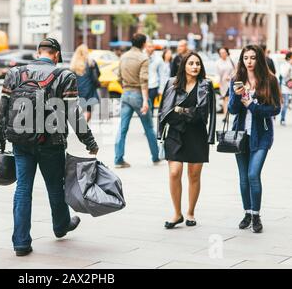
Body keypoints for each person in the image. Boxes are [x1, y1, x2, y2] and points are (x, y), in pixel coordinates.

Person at [0, 38, 99, 257]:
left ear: (38, 53)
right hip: (52, 143)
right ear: (57, 55)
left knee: (23, 189)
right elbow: (73, 113)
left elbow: (2, 110)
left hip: (20, 142)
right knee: (55, 186)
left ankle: (21, 242)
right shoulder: (64, 76)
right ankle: (61, 226)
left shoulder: (15, 73)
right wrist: (89, 141)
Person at [158, 52, 216, 229]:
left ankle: (190, 211)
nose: (195, 66)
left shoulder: (205, 86)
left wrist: (181, 111)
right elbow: (163, 111)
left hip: (196, 133)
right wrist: (159, 134)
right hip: (175, 133)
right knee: (175, 172)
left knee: (194, 174)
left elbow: (206, 113)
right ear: (184, 65)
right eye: (191, 63)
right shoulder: (171, 83)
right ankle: (177, 213)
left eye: (197, 63)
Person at [228, 45, 282, 233]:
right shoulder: (236, 80)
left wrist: (252, 105)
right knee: (243, 178)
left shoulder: (269, 80)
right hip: (240, 136)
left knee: (253, 175)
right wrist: (236, 96)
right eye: (245, 58)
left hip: (262, 135)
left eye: (253, 58)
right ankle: (247, 213)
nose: (249, 62)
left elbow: (275, 109)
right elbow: (232, 110)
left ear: (259, 59)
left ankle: (256, 215)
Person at [114, 33, 160, 168]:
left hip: (126, 94)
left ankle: (118, 159)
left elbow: (118, 77)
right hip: (139, 95)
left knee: (122, 128)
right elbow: (143, 81)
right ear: (144, 44)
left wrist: (125, 87)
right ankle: (156, 156)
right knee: (149, 128)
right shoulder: (143, 58)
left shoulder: (123, 56)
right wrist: (146, 101)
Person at [70, 44, 101, 122]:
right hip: (89, 89)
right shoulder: (91, 63)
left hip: (78, 90)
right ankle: (84, 125)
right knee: (88, 109)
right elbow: (97, 74)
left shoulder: (73, 64)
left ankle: (82, 125)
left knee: (81, 109)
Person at [216, 47, 236, 117]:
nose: (222, 54)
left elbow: (235, 70)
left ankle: (227, 113)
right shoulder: (218, 62)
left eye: (224, 52)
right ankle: (225, 115)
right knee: (225, 99)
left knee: (228, 98)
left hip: (231, 82)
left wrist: (230, 77)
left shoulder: (231, 60)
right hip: (223, 83)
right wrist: (218, 82)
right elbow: (218, 74)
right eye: (221, 53)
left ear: (227, 52)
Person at [146, 42, 163, 114]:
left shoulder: (159, 59)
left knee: (150, 105)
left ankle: (150, 120)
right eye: (148, 46)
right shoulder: (141, 57)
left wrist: (161, 89)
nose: (150, 48)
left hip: (153, 85)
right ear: (145, 47)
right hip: (143, 85)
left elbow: (161, 75)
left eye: (151, 47)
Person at [279, 51, 292, 126]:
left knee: (287, 104)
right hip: (285, 88)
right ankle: (282, 119)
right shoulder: (284, 65)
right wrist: (289, 67)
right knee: (286, 104)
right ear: (289, 58)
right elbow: (283, 74)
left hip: (290, 87)